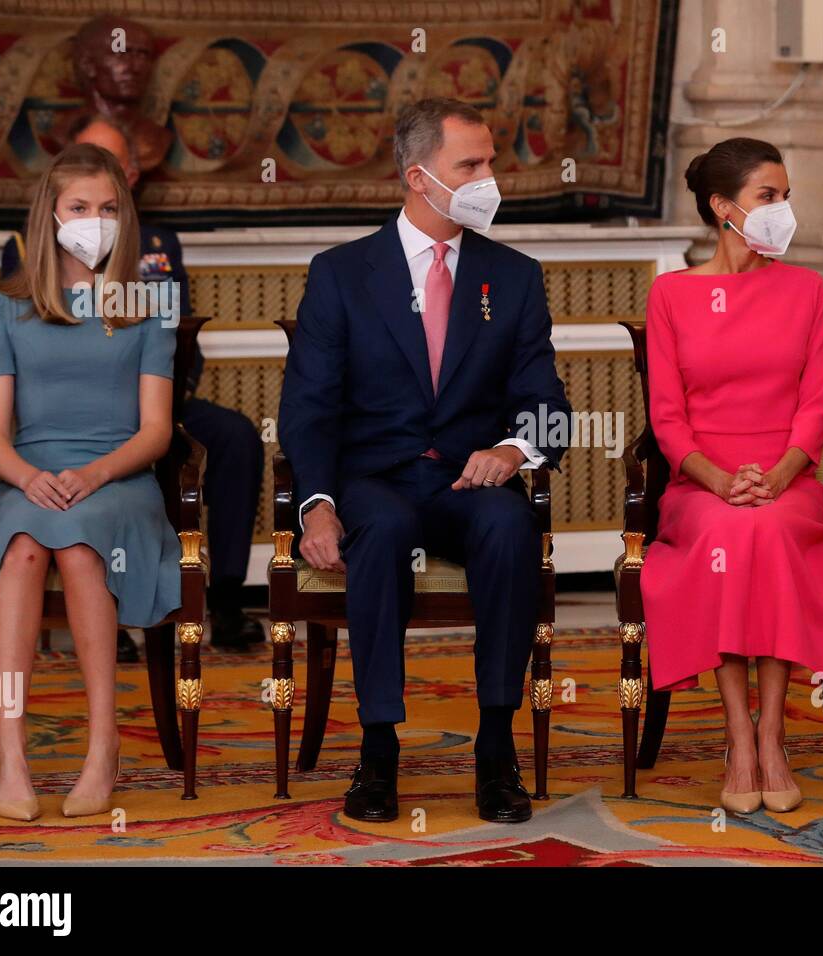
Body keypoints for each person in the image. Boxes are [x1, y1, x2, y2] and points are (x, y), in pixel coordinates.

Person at [278, 98, 571, 824]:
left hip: (465, 483)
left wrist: (512, 448)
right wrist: (314, 502)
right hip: (373, 479)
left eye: (491, 162)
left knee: (509, 529)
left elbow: (548, 404)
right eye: (470, 165)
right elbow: (308, 407)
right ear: (418, 177)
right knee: (375, 530)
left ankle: (496, 748)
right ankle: (379, 750)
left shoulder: (514, 277)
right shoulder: (342, 275)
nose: (489, 178)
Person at [639, 137, 823, 815]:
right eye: (768, 197)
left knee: (766, 530)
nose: (782, 210)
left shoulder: (805, 289)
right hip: (701, 483)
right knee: (732, 535)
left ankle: (772, 735)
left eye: (786, 196)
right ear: (722, 207)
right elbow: (667, 417)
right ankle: (738, 736)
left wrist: (778, 474)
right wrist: (717, 480)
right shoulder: (671, 296)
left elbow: (815, 404)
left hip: (787, 478)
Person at [0, 143, 183, 821]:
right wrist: (33, 477)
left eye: (110, 208)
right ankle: (14, 749)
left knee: (82, 546)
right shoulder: (4, 308)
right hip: (27, 476)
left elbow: (155, 431)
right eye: (81, 207)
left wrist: (91, 474)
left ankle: (102, 748)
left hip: (117, 478)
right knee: (26, 547)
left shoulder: (149, 304)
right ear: (50, 214)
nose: (96, 219)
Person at [1, 115, 265, 656]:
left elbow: (183, 335)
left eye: (114, 166)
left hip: (162, 400)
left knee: (237, 436)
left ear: (132, 175)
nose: (99, 181)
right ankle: (112, 614)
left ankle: (229, 600)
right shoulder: (26, 247)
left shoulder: (160, 242)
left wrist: (157, 400)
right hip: (78, 420)